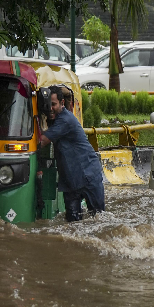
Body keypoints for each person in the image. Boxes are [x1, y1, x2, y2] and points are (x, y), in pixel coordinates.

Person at [39, 86, 105, 222]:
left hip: (88, 175)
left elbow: (41, 141)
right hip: (70, 179)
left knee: (99, 219)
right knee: (72, 223)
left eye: (53, 104)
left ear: (62, 103)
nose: (50, 108)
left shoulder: (65, 120)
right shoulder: (55, 120)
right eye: (47, 105)